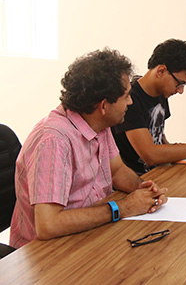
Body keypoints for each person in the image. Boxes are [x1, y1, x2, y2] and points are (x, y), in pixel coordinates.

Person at [10, 49, 168, 248]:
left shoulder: (99, 123)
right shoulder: (53, 140)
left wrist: (145, 190)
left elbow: (117, 171)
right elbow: (48, 225)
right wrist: (124, 207)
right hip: (46, 254)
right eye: (126, 96)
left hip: (88, 233)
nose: (131, 101)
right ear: (103, 106)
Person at [113, 39, 186, 174]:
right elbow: (150, 155)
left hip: (159, 173)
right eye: (179, 84)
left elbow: (159, 140)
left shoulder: (161, 93)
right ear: (161, 71)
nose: (180, 91)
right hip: (138, 180)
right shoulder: (130, 101)